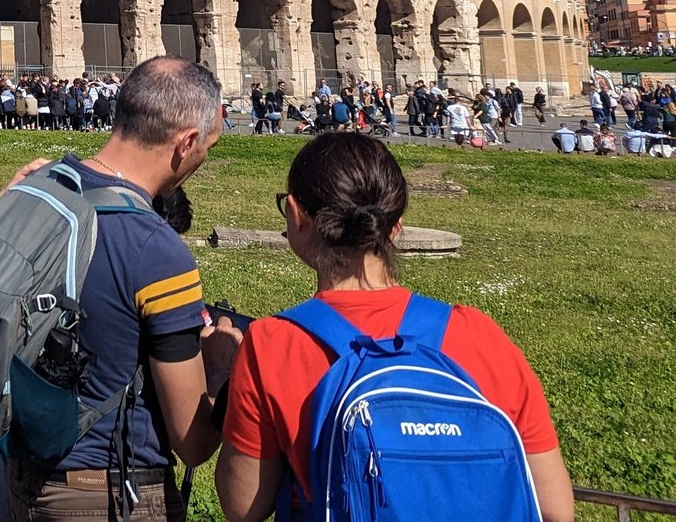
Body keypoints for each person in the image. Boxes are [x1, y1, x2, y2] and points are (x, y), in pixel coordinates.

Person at [214, 131, 574, 522]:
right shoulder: (479, 334)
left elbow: (242, 506)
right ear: (396, 226)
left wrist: (221, 374)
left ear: (297, 216)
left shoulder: (275, 344)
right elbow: (555, 508)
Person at [0, 57, 239, 521]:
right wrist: (222, 369)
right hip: (109, 493)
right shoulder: (157, 248)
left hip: (23, 480)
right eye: (207, 146)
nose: (202, 159)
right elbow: (193, 442)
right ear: (186, 143)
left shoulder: (38, 187)